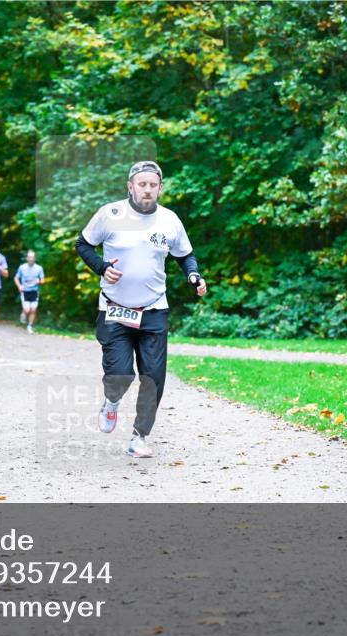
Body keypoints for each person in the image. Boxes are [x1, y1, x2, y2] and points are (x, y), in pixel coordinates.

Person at [75, 161, 206, 458]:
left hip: (154, 309)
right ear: (130, 186)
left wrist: (193, 275)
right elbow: (83, 244)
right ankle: (111, 402)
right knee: (120, 375)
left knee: (153, 377)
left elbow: (186, 256)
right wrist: (101, 267)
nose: (147, 189)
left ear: (160, 187)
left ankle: (139, 437)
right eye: (141, 184)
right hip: (114, 310)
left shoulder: (170, 220)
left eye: (152, 184)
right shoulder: (110, 214)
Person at [14, 250, 45, 334]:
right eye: (29, 257)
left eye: (32, 257)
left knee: (33, 310)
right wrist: (19, 286)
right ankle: (23, 314)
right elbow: (16, 278)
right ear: (27, 258)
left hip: (34, 291)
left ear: (35, 258)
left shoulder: (39, 268)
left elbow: (43, 280)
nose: (31, 259)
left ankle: (30, 326)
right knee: (27, 310)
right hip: (25, 291)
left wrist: (39, 281)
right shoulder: (22, 267)